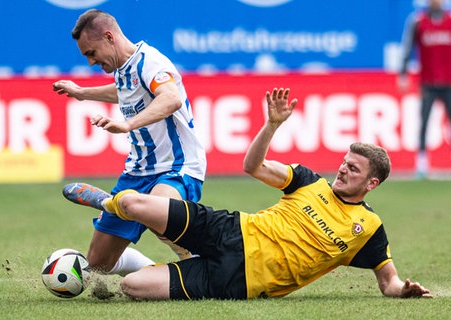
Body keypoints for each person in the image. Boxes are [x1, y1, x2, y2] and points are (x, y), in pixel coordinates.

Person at [63, 87, 433, 300]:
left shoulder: (368, 228)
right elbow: (252, 167)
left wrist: (405, 291)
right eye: (344, 162)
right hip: (232, 229)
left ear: (372, 184)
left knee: (133, 287)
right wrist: (272, 126)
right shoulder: (309, 180)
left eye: (353, 169)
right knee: (131, 203)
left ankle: (164, 260)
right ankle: (104, 201)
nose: (342, 169)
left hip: (239, 281)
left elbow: (389, 283)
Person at [53, 9, 206, 276]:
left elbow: (171, 98)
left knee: (158, 210)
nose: (90, 62)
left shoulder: (151, 62)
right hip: (137, 172)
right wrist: (81, 92)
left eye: (91, 53)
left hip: (177, 167)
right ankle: (150, 270)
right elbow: (124, 91)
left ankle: (196, 261)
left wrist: (128, 124)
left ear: (109, 37)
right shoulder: (125, 68)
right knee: (99, 264)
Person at [399, 0, 451, 179]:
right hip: (428, 82)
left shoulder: (450, 21)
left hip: (449, 81)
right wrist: (403, 73)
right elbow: (407, 47)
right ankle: (422, 164)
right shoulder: (418, 21)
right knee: (424, 122)